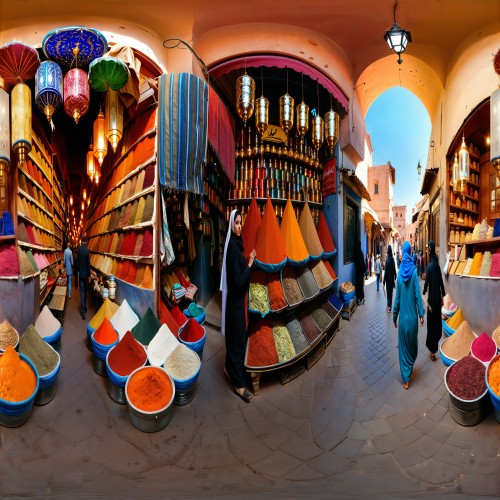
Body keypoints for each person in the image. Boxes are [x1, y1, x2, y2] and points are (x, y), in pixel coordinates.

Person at [220, 209, 256, 403]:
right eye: (237, 223)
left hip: (235, 304)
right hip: (235, 305)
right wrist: (249, 264)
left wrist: (247, 259)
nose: (240, 226)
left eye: (241, 222)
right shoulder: (234, 247)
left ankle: (227, 369)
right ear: (231, 225)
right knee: (238, 343)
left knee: (234, 340)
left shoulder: (235, 245)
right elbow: (236, 283)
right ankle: (238, 385)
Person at [393, 241, 425, 390]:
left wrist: (394, 316)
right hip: (412, 321)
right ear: (410, 252)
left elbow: (397, 299)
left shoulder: (399, 275)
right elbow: (418, 296)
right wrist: (421, 314)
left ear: (403, 253)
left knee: (403, 349)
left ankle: (405, 378)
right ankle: (410, 368)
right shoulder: (413, 272)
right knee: (412, 346)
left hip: (403, 321)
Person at [423, 241, 446, 361]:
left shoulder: (430, 266)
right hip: (438, 299)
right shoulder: (436, 266)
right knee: (437, 322)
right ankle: (433, 346)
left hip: (432, 300)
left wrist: (423, 290)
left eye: (428, 249)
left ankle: (432, 351)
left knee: (431, 324)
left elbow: (426, 282)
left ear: (430, 250)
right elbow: (441, 282)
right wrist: (443, 295)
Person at [77, 234, 91, 320]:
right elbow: (88, 264)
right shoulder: (86, 250)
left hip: (80, 274)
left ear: (81, 240)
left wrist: (79, 270)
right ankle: (84, 308)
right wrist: (89, 275)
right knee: (85, 292)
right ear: (86, 240)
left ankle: (82, 311)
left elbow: (77, 263)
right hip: (86, 275)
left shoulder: (78, 250)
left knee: (81, 292)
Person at [383, 244, 397, 314]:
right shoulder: (393, 260)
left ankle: (388, 307)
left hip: (388, 281)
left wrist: (383, 282)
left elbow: (385, 273)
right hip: (391, 281)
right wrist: (395, 278)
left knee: (388, 294)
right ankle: (389, 307)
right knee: (390, 295)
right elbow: (395, 271)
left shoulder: (387, 261)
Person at [354, 240, 366, 305]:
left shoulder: (356, 252)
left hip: (358, 272)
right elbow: (362, 263)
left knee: (358, 286)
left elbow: (356, 261)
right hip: (361, 272)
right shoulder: (361, 253)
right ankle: (362, 298)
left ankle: (359, 299)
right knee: (361, 285)